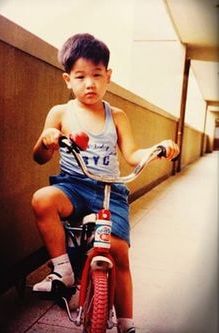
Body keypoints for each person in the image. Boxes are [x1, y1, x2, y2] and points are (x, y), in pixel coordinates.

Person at [31, 33, 179, 333]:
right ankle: (63, 270)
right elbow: (40, 157)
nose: (90, 83)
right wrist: (47, 141)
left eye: (97, 75)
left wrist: (155, 151)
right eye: (81, 76)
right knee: (42, 199)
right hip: (72, 187)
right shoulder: (61, 113)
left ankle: (126, 323)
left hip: (109, 192)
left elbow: (132, 154)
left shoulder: (118, 116)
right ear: (67, 79)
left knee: (119, 252)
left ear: (108, 76)